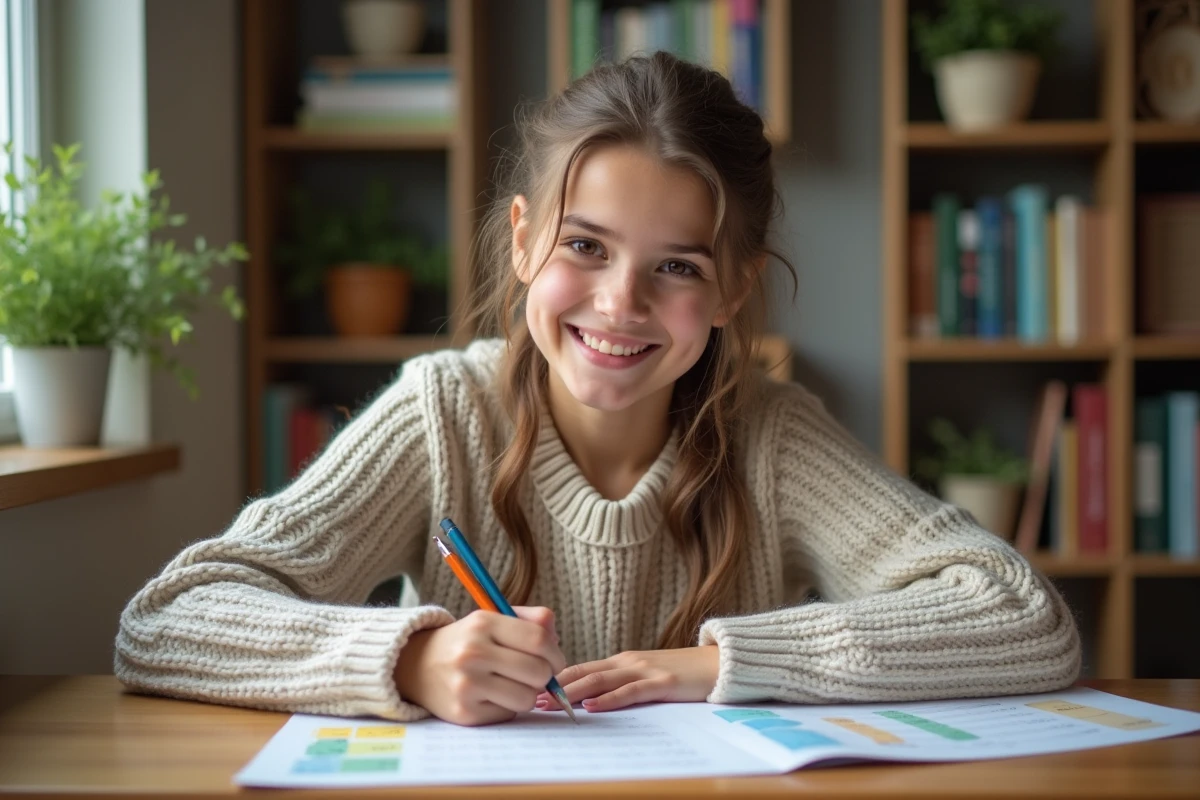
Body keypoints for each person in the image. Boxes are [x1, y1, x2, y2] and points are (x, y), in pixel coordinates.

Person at [115, 52, 1080, 727]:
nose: (621, 306)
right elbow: (167, 622)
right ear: (527, 237)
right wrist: (406, 659)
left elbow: (1021, 618)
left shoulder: (772, 435)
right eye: (586, 247)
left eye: (679, 268)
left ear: (733, 289)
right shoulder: (441, 412)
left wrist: (722, 666)